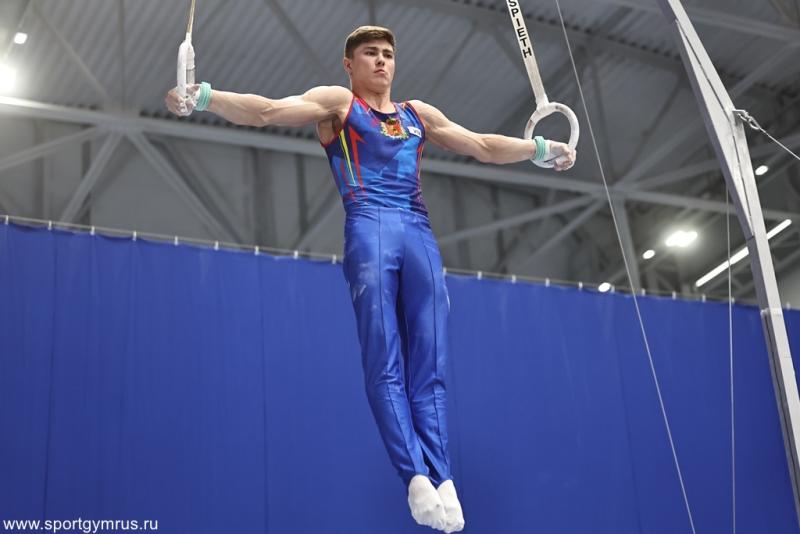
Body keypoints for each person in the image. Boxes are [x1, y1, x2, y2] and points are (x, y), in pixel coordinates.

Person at [165, 25, 576, 533]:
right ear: (349, 64)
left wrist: (539, 149)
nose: (381, 61)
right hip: (369, 227)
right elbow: (267, 110)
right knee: (386, 361)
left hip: (419, 235)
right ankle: (415, 478)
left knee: (430, 366)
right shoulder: (339, 104)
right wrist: (205, 96)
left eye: (387, 54)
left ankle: (444, 477)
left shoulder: (417, 114)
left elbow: (483, 146)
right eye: (370, 54)